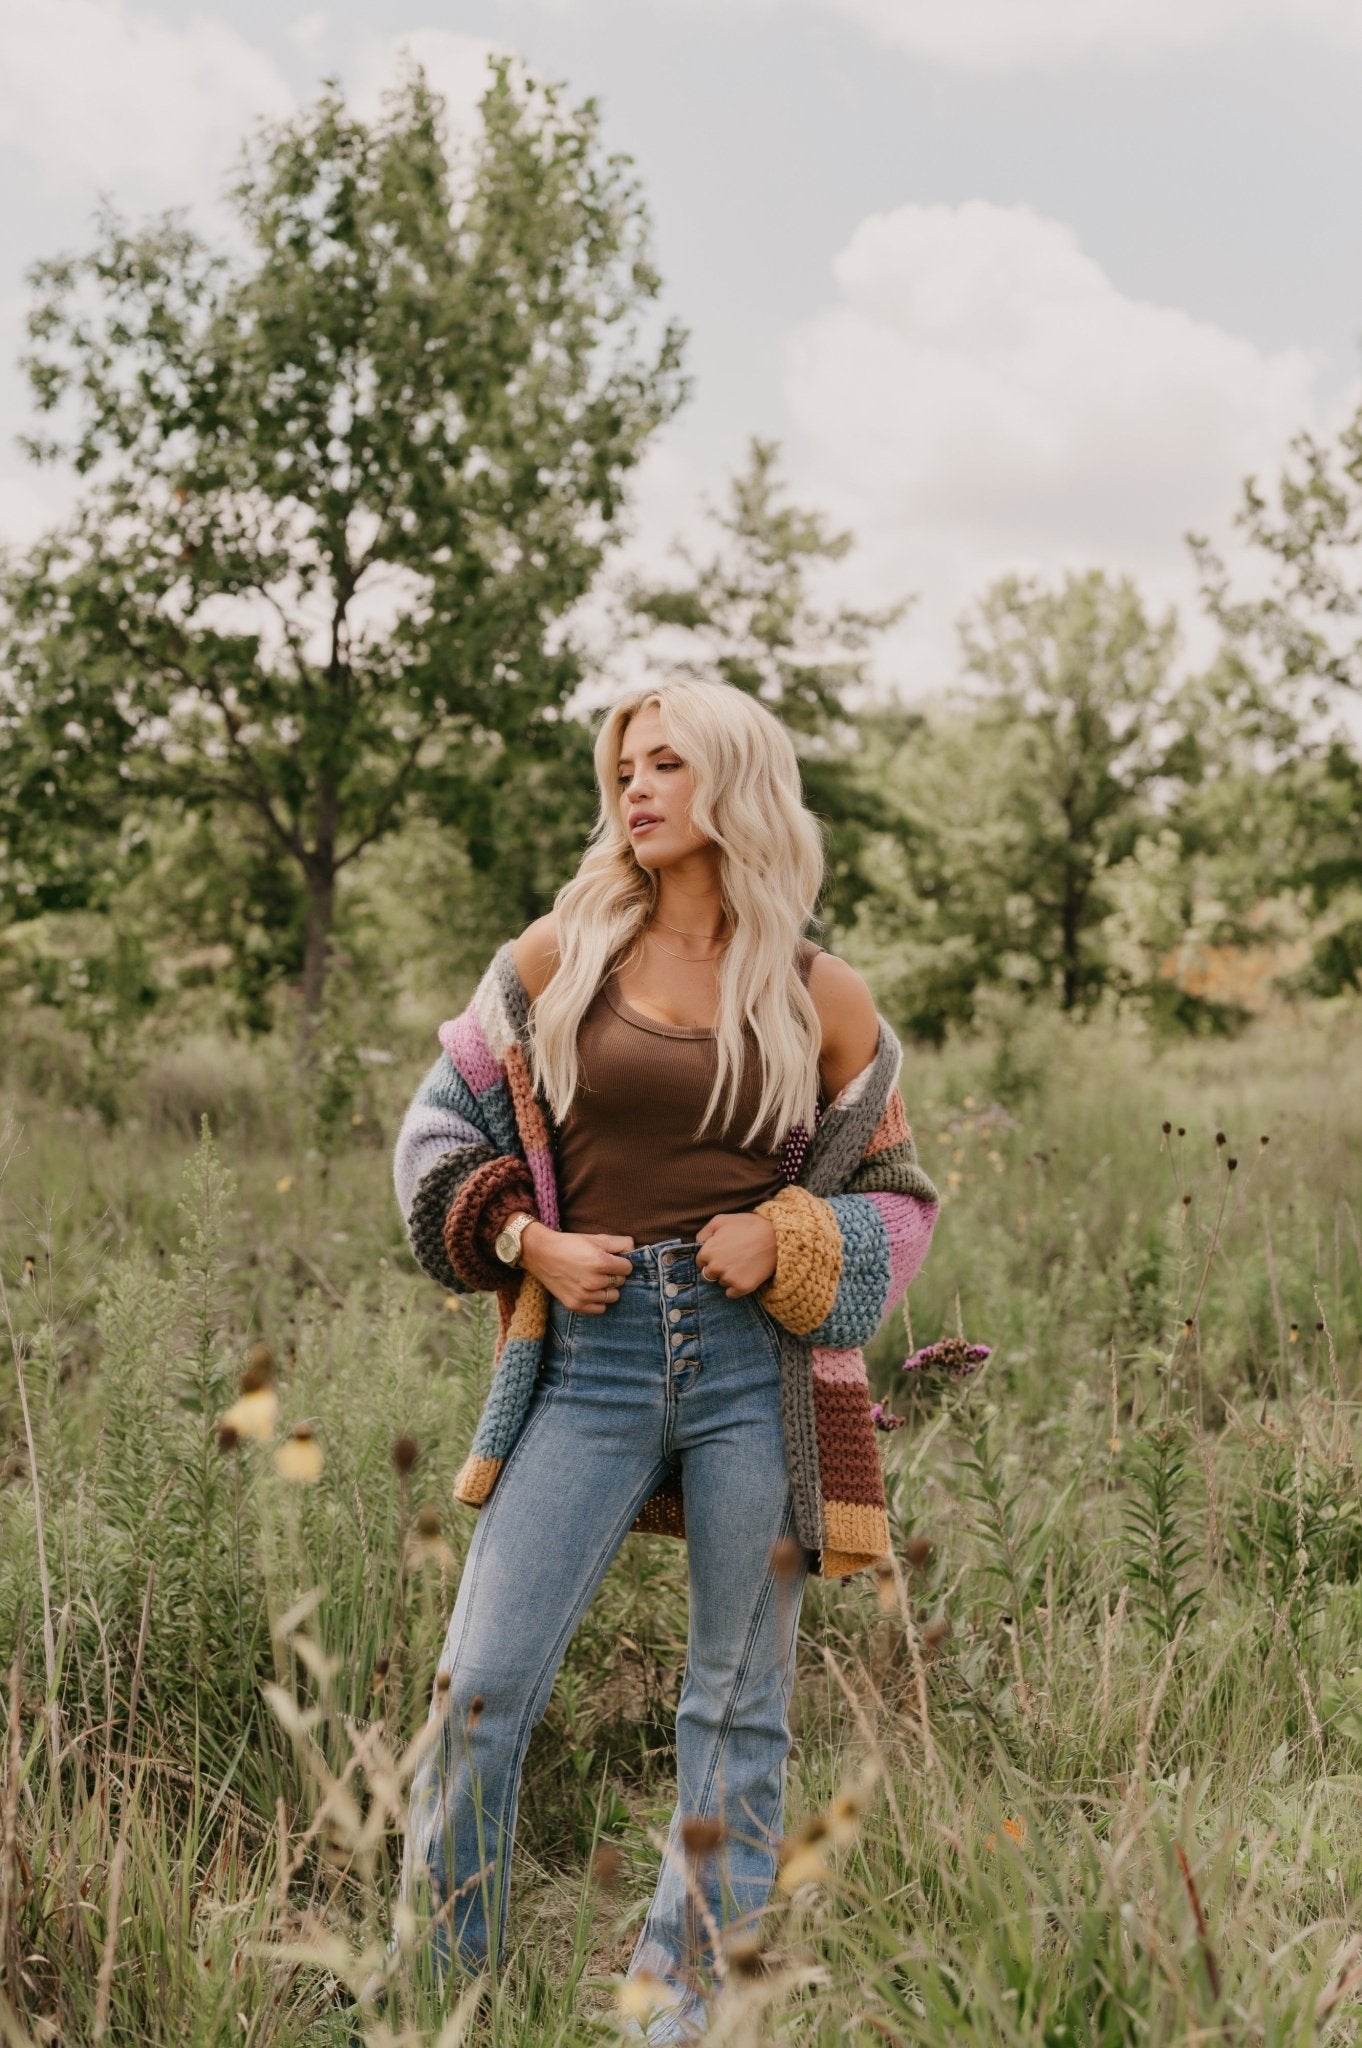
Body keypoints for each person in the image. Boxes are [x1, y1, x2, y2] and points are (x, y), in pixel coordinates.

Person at [390, 676, 940, 2041]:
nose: (634, 787)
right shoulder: (550, 960)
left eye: (667, 765)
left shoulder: (821, 994)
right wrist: (519, 1237)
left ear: (735, 787)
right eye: (626, 766)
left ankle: (677, 2013)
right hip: (588, 1363)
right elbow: (430, 1137)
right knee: (477, 1688)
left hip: (758, 1374)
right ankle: (443, 1994)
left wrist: (787, 1237)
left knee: (735, 1711)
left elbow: (902, 1199)